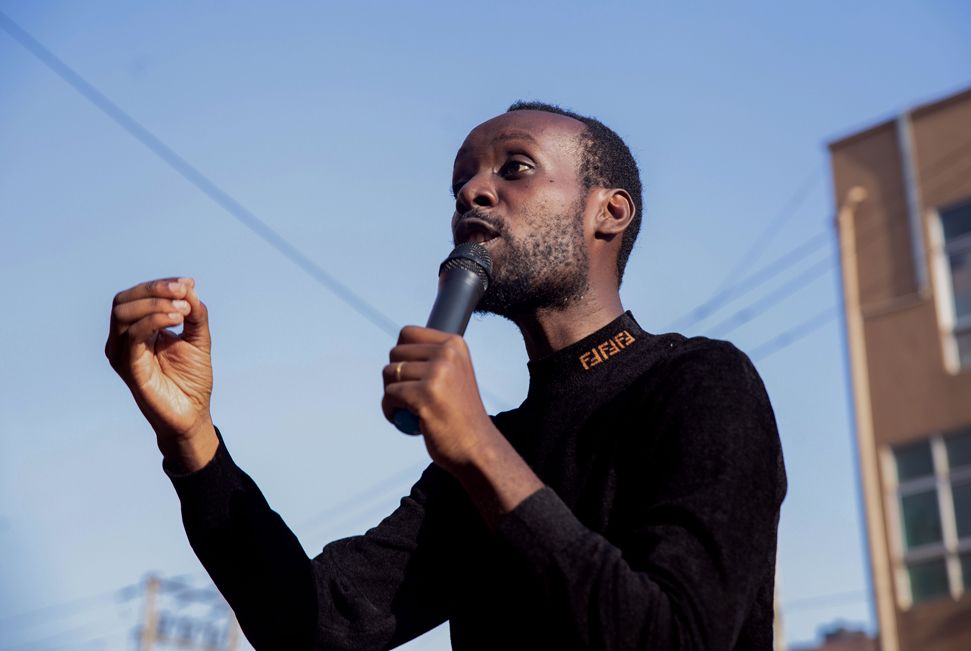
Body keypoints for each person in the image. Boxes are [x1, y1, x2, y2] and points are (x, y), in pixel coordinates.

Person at [106, 102, 786, 650]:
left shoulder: (702, 383)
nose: (472, 190)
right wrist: (191, 440)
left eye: (514, 167)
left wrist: (480, 451)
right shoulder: (482, 455)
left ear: (607, 211)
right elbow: (314, 624)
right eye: (461, 179)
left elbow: (678, 635)